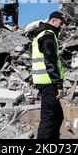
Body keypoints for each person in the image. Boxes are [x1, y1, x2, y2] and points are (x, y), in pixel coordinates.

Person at [32, 11, 67, 139]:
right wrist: (58, 84)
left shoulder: (41, 34)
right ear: (52, 20)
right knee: (48, 120)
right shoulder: (48, 35)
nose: (61, 26)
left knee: (57, 116)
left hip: (45, 82)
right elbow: (50, 61)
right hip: (49, 83)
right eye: (60, 23)